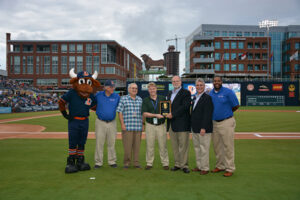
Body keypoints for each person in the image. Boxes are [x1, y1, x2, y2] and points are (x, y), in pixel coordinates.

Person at [209, 76, 239, 177]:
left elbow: (236, 105)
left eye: (218, 81)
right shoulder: (211, 93)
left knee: (228, 146)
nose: (216, 82)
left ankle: (230, 168)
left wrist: (227, 113)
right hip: (214, 123)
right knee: (217, 146)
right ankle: (220, 165)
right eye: (215, 81)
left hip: (226, 122)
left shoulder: (228, 92)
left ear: (221, 82)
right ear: (213, 82)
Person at [166, 76, 191, 173]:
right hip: (172, 124)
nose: (175, 82)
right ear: (172, 83)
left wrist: (173, 114)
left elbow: (185, 106)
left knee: (183, 146)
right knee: (175, 146)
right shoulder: (169, 93)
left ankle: (184, 165)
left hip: (182, 123)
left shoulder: (186, 93)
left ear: (181, 82)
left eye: (177, 81)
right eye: (174, 81)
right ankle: (177, 164)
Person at [142, 82, 169, 170]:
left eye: (153, 88)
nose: (152, 90)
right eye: (150, 89)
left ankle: (165, 163)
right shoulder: (146, 100)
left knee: (163, 145)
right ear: (148, 90)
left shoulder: (162, 98)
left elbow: (166, 110)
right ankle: (149, 163)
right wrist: (155, 115)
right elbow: (144, 113)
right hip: (150, 125)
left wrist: (166, 114)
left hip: (161, 125)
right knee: (149, 145)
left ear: (156, 89)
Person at [94, 80, 120, 169]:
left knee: (111, 143)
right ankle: (98, 162)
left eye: (113, 87)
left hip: (112, 122)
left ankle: (112, 161)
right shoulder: (98, 95)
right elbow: (92, 104)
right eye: (110, 87)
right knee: (99, 143)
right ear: (105, 87)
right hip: (100, 122)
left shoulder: (116, 96)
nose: (113, 88)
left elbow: (120, 108)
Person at [117, 83, 143, 169]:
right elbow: (120, 112)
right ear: (128, 89)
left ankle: (136, 163)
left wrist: (143, 124)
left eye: (136, 88)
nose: (134, 90)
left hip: (138, 127)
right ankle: (126, 163)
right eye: (132, 88)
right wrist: (122, 124)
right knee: (127, 147)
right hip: (127, 127)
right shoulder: (123, 99)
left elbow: (142, 113)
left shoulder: (140, 99)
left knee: (137, 147)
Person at [191, 78, 213, 175]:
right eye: (197, 85)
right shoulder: (195, 97)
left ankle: (205, 168)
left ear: (204, 87)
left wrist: (203, 127)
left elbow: (207, 114)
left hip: (203, 129)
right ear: (195, 86)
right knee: (197, 148)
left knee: (204, 148)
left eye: (201, 85)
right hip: (195, 127)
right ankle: (199, 166)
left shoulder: (207, 98)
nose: (199, 87)